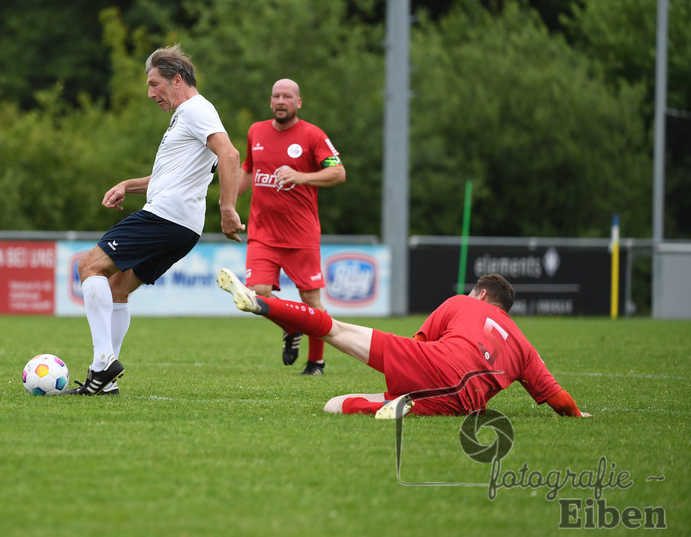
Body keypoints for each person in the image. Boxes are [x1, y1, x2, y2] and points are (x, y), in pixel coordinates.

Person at [64, 44, 245, 395]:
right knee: (118, 288)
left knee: (89, 266)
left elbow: (230, 154)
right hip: (183, 226)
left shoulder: (195, 110)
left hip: (165, 216)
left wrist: (227, 208)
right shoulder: (190, 116)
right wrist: (127, 185)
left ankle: (103, 361)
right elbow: (172, 174)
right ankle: (103, 384)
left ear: (177, 80)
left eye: (154, 84)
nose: (150, 94)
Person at [217, 269, 590, 418]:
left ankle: (261, 303)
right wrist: (578, 416)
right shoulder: (524, 346)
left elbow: (418, 343)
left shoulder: (461, 302)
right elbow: (559, 399)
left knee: (336, 333)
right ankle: (404, 405)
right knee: (413, 396)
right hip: (461, 403)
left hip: (427, 365)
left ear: (479, 294)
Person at [238, 78, 345, 375]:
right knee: (255, 294)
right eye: (276, 96)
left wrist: (302, 177)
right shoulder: (256, 131)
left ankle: (316, 362)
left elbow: (338, 173)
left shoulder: (312, 135)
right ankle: (290, 326)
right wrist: (228, 204)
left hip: (301, 235)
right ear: (270, 101)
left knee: (311, 300)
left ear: (299, 102)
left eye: (287, 96)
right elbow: (248, 169)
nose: (280, 101)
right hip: (262, 233)